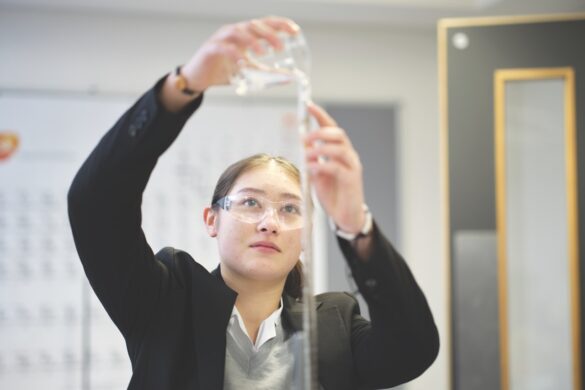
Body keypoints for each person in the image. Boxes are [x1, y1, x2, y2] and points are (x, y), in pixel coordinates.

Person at [68, 16, 439, 390]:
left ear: (307, 235)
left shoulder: (334, 322)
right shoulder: (166, 302)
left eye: (291, 208)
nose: (270, 222)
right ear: (211, 220)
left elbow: (413, 351)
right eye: (250, 203)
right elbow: (96, 204)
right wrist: (183, 86)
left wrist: (355, 225)